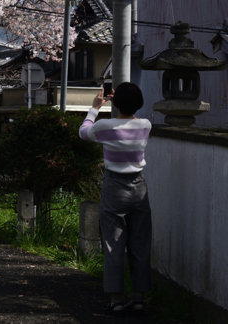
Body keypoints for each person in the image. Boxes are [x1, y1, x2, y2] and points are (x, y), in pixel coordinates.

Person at [78, 81, 152, 316]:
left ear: (115, 101)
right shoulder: (146, 125)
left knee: (114, 245)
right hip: (139, 187)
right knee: (139, 244)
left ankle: (116, 300)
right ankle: (138, 299)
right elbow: (128, 116)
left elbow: (83, 132)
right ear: (139, 103)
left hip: (114, 187)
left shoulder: (104, 126)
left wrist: (95, 107)